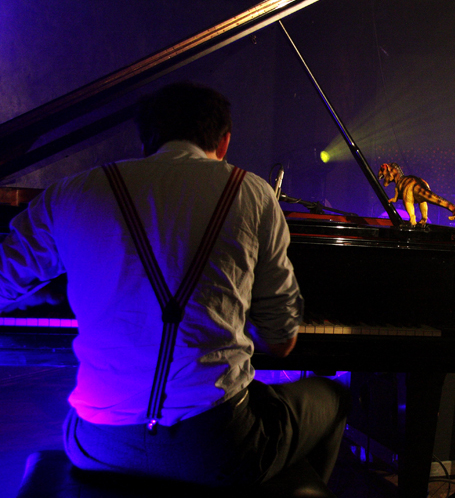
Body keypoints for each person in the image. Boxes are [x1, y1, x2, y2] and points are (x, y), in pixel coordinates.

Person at [0, 82, 349, 487]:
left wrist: (68, 290)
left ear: (146, 138)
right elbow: (281, 341)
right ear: (224, 141)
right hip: (215, 448)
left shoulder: (71, 192)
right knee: (334, 396)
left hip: (97, 444)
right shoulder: (252, 193)